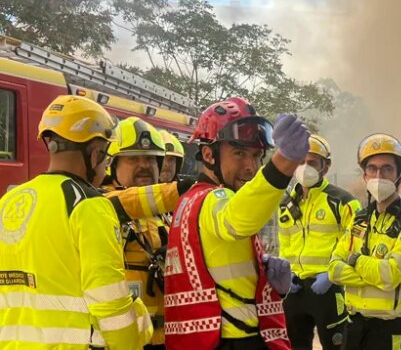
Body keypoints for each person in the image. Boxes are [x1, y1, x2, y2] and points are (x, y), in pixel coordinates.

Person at [0, 95, 153, 349]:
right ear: (95, 154)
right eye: (106, 157)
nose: (105, 167)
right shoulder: (88, 205)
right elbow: (110, 303)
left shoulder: (9, 201)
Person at [164, 97, 308, 350]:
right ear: (208, 154)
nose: (250, 167)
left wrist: (263, 278)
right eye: (239, 153)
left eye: (257, 156)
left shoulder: (189, 199)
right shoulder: (214, 198)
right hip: (233, 340)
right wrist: (283, 163)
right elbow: (237, 219)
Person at [328, 134, 401, 350]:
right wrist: (371, 273)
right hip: (354, 327)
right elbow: (334, 269)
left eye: (387, 169)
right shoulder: (360, 219)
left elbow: (391, 275)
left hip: (390, 331)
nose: (378, 175)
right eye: (372, 169)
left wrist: (354, 260)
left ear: (400, 175)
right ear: (364, 175)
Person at [280, 135, 361, 349]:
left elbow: (357, 239)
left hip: (328, 289)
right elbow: (285, 242)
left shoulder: (342, 201)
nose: (305, 167)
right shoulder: (286, 204)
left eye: (312, 162)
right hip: (295, 289)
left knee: (336, 345)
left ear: (325, 167)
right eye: (300, 162)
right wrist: (287, 272)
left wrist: (333, 273)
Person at [101, 117, 170, 349]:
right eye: (133, 158)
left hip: (165, 338)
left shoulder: (163, 214)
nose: (144, 165)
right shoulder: (101, 205)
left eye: (151, 159)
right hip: (125, 342)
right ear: (112, 165)